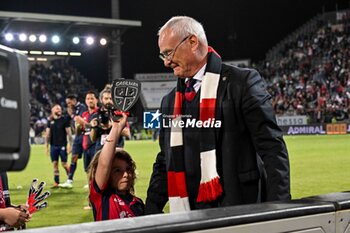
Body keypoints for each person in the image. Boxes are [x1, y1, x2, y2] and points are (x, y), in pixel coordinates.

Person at [145, 16, 290, 214]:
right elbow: (165, 160)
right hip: (189, 213)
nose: (166, 62)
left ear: (193, 42)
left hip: (240, 208)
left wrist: (279, 209)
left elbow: (272, 148)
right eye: (163, 56)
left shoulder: (242, 83)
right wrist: (150, 211)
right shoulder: (169, 101)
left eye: (169, 53)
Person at [88, 113, 144, 220]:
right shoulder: (102, 197)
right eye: (117, 170)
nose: (126, 175)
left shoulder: (138, 204)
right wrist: (116, 128)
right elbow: (104, 164)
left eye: (128, 169)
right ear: (108, 174)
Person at [90, 87, 130, 153]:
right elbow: (92, 138)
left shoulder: (120, 114)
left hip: (116, 149)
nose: (109, 101)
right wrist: (94, 127)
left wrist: (113, 126)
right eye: (106, 98)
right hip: (100, 150)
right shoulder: (96, 115)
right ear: (101, 100)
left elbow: (128, 133)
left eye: (111, 99)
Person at [60, 94, 87, 188]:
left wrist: (71, 114)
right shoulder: (72, 109)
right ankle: (69, 180)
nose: (68, 104)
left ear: (74, 100)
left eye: (69, 102)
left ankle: (90, 181)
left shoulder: (82, 107)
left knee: (88, 159)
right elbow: (67, 120)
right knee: (73, 158)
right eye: (67, 103)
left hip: (85, 136)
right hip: (78, 137)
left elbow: (79, 120)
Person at [45, 103, 73, 188]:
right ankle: (56, 182)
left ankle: (70, 178)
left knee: (64, 164)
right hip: (53, 146)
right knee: (55, 164)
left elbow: (69, 134)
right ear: (52, 110)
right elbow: (47, 135)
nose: (59, 110)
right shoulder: (50, 121)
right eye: (57, 108)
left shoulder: (64, 120)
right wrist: (46, 147)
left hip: (62, 146)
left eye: (60, 108)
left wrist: (70, 145)